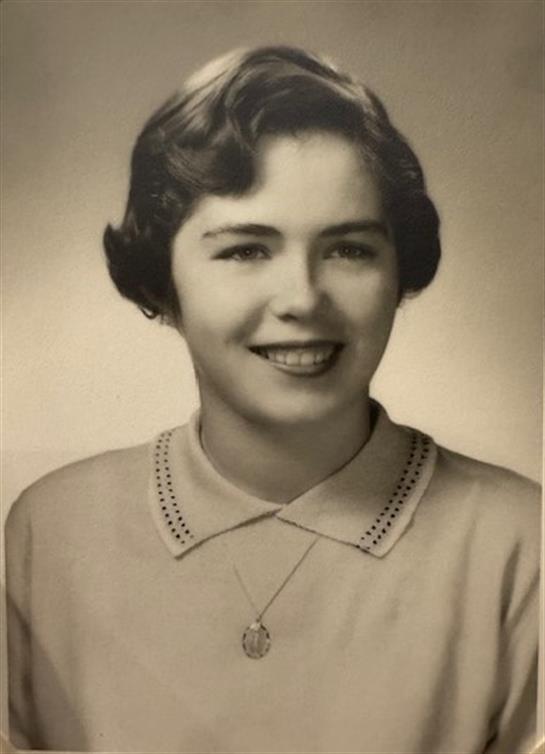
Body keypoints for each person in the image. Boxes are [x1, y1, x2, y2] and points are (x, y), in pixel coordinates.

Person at [4, 45, 540, 753]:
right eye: (246, 250)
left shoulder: (520, 542)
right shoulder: (51, 531)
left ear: (400, 269)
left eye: (348, 249)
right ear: (162, 281)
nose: (302, 299)